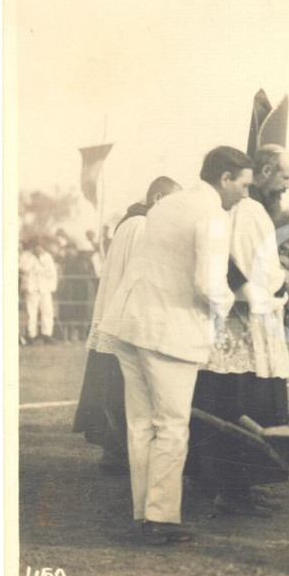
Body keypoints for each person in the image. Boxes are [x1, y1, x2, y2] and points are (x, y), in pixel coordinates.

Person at [99, 146, 248, 544]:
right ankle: (160, 520)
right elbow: (207, 284)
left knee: (141, 425)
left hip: (130, 322)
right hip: (169, 331)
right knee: (171, 427)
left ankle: (144, 514)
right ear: (225, 179)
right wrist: (227, 307)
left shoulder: (166, 204)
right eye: (244, 185)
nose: (245, 194)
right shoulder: (213, 215)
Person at [190, 144, 289, 517]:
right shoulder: (250, 211)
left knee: (224, 401)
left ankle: (230, 485)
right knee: (245, 403)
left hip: (229, 320)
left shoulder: (230, 209)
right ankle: (235, 490)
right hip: (247, 324)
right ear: (264, 172)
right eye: (284, 177)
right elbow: (261, 271)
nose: (287, 186)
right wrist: (284, 278)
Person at [73, 176, 182, 473]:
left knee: (121, 387)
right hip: (129, 320)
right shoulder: (141, 226)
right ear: (158, 199)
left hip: (121, 318)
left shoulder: (131, 223)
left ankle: (119, 453)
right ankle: (120, 454)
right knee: (126, 389)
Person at [19, 238, 59, 345]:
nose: (39, 249)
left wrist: (52, 287)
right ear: (32, 247)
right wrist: (33, 257)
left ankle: (47, 334)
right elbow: (24, 268)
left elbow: (53, 272)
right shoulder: (26, 256)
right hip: (32, 288)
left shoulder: (47, 256)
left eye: (40, 246)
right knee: (31, 312)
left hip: (45, 288)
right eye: (36, 246)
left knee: (48, 311)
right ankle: (31, 335)